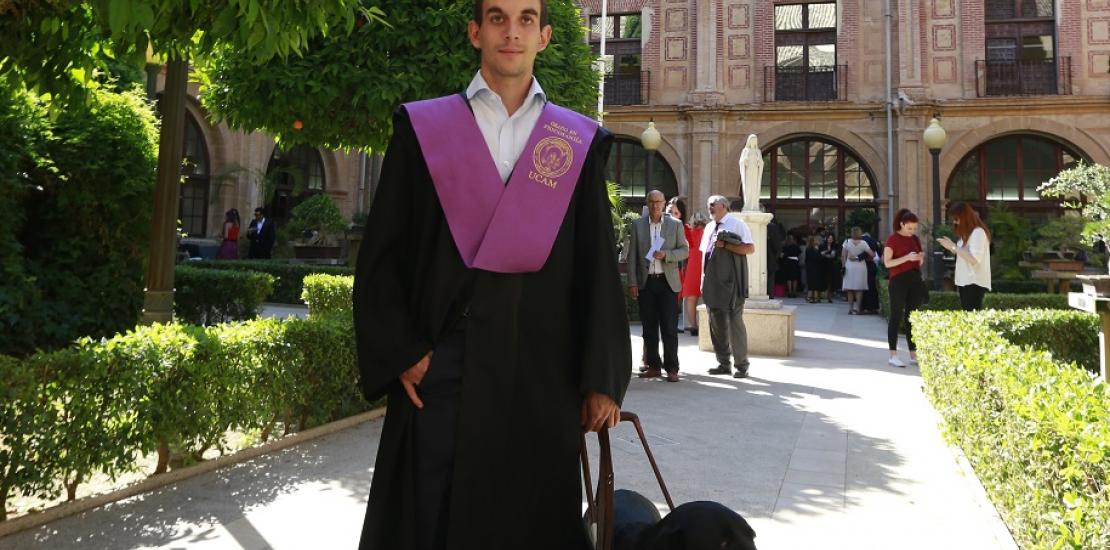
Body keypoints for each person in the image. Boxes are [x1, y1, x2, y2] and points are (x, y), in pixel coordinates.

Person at [352, 1, 632, 548]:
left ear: (544, 37)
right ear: (475, 32)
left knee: (528, 523)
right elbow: (383, 253)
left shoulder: (574, 142)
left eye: (526, 19)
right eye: (498, 18)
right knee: (429, 521)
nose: (512, 32)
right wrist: (402, 349)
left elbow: (596, 265)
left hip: (542, 373)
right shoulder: (423, 129)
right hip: (442, 367)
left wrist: (602, 377)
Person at [628, 191, 689, 382]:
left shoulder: (675, 224)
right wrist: (632, 282)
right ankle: (654, 366)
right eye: (652, 202)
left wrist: (666, 255)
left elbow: (685, 251)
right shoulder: (638, 225)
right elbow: (632, 257)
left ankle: (672, 368)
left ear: (664, 203)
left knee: (669, 328)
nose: (655, 205)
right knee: (649, 328)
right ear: (647, 203)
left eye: (659, 202)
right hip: (646, 282)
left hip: (667, 282)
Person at [701, 195, 755, 378]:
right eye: (708, 205)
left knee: (735, 323)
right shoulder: (709, 227)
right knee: (716, 325)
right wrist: (702, 279)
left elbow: (749, 249)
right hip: (712, 282)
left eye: (712, 205)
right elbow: (704, 256)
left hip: (733, 283)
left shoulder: (737, 224)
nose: (709, 208)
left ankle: (741, 366)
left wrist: (725, 245)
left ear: (724, 206)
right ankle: (723, 364)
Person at [883, 209, 927, 368]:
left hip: (915, 280)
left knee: (912, 317)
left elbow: (918, 263)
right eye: (909, 228)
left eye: (914, 228)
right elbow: (887, 263)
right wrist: (907, 257)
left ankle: (913, 355)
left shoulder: (915, 239)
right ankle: (893, 355)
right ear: (901, 224)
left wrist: (920, 258)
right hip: (898, 281)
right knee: (896, 316)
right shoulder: (892, 239)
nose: (912, 231)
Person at [938, 202, 992, 311]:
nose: (955, 222)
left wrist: (953, 246)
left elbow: (974, 259)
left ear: (964, 217)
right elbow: (963, 254)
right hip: (965, 281)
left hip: (974, 282)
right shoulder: (967, 234)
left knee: (971, 315)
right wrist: (951, 246)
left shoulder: (978, 233)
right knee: (968, 314)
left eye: (956, 219)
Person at [682, 211, 710, 336]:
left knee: (691, 298)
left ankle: (693, 326)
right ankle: (708, 326)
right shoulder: (708, 233)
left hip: (692, 266)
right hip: (706, 265)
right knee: (708, 298)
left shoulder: (689, 232)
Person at [667, 196, 690, 332]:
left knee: (675, 298)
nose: (672, 215)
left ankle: (673, 324)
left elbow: (689, 250)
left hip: (679, 268)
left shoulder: (684, 229)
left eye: (676, 213)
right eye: (670, 212)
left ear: (681, 215)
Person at [841, 227, 872, 314]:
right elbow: (872, 254)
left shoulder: (847, 242)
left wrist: (843, 266)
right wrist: (863, 258)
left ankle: (850, 308)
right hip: (861, 267)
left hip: (849, 267)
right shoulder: (863, 243)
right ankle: (858, 308)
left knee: (849, 289)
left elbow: (843, 256)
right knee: (859, 289)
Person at [859, 231, 881, 314]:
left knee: (863, 286)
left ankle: (863, 307)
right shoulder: (874, 241)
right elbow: (878, 254)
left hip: (862, 265)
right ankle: (873, 307)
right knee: (872, 286)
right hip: (871, 265)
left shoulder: (860, 240)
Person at [766, 218, 785, 297]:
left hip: (762, 255)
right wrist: (778, 254)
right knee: (770, 276)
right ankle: (769, 294)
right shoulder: (772, 227)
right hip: (770, 256)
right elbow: (777, 244)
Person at [819, 233, 839, 303]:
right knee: (822, 280)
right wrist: (827, 253)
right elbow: (820, 254)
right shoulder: (822, 245)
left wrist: (827, 254)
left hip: (831, 265)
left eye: (832, 238)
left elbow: (835, 256)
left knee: (830, 281)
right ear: (827, 238)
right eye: (829, 238)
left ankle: (829, 297)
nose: (830, 239)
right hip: (823, 265)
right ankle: (820, 296)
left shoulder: (835, 246)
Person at [779, 234, 802, 298]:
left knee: (789, 278)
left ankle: (789, 292)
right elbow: (799, 253)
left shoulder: (785, 247)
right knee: (795, 278)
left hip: (788, 263)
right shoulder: (796, 246)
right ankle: (794, 292)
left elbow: (782, 256)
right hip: (795, 263)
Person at [804, 235, 825, 303]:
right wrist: (820, 254)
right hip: (813, 268)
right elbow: (814, 257)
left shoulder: (812, 248)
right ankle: (812, 297)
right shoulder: (810, 249)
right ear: (813, 242)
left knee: (814, 282)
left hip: (814, 267)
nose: (818, 241)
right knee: (813, 282)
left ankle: (813, 297)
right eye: (816, 240)